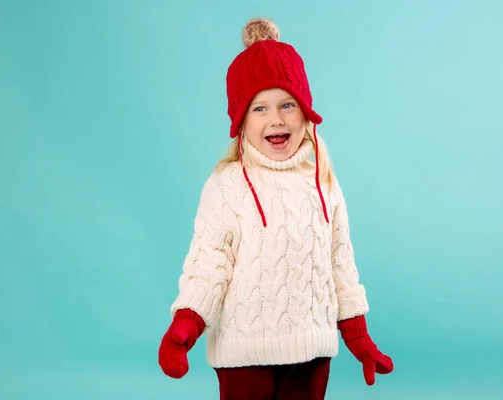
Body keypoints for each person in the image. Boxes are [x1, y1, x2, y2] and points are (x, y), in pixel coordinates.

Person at [158, 17, 393, 400]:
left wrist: (358, 335)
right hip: (244, 354)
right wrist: (186, 324)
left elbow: (340, 264)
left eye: (287, 104)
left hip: (312, 352)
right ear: (241, 120)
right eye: (259, 109)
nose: (276, 119)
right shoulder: (227, 185)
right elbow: (209, 264)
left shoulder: (324, 183)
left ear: (305, 111)